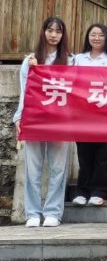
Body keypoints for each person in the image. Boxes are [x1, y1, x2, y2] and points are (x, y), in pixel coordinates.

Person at [14, 17, 72, 227]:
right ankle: (32, 213)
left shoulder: (70, 60)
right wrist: (19, 116)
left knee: (58, 168)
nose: (53, 35)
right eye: (50, 30)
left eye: (58, 31)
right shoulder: (30, 60)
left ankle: (53, 212)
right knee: (33, 167)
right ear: (43, 32)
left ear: (63, 35)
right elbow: (24, 91)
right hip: (34, 119)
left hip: (60, 120)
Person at [72, 24, 107, 207]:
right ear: (88, 37)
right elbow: (70, 81)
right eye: (93, 34)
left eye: (100, 35)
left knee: (103, 154)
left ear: (106, 38)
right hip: (83, 114)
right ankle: (82, 191)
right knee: (84, 154)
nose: (96, 38)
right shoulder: (78, 59)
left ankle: (100, 191)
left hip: (105, 114)